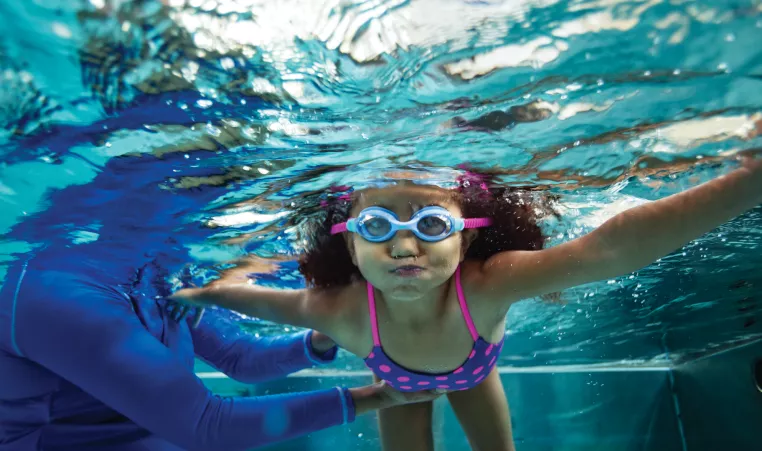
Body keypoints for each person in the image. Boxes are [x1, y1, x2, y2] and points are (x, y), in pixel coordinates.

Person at [172, 156, 761, 451]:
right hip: (393, 386)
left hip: (476, 373)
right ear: (349, 242)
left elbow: (608, 248)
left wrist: (746, 181)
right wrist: (201, 293)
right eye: (376, 226)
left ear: (469, 235)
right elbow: (261, 303)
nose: (404, 245)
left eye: (431, 224)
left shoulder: (485, 284)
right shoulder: (340, 310)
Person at [0, 246, 439, 451]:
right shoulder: (56, 288)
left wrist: (327, 333)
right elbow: (207, 426)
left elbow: (240, 358)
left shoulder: (155, 276)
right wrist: (377, 397)